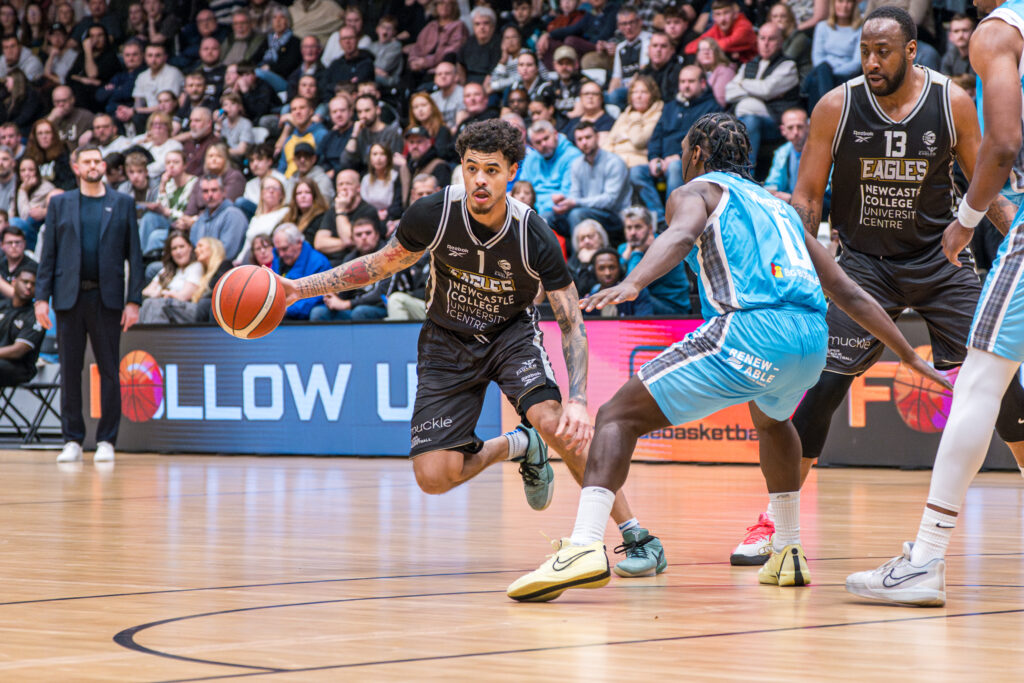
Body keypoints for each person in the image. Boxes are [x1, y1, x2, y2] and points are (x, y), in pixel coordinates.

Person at [507, 112, 949, 602]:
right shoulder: (780, 209)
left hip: (752, 331)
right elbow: (848, 290)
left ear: (696, 153)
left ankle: (586, 547)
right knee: (774, 423)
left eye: (684, 151)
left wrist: (634, 281)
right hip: (811, 338)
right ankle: (788, 550)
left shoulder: (695, 191)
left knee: (615, 416)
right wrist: (908, 353)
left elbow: (677, 237)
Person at [280, 119, 665, 577]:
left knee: (561, 426)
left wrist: (579, 400)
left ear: (511, 173)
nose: (480, 179)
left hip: (510, 336)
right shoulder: (433, 213)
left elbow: (571, 322)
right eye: (471, 168)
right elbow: (377, 266)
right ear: (461, 168)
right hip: (446, 341)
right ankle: (518, 446)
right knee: (434, 477)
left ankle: (639, 535)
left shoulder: (533, 234)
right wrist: (294, 290)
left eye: (492, 170)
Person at [732, 6, 1024, 568]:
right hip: (862, 266)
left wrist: (1011, 230)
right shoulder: (836, 106)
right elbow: (808, 200)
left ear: (912, 51)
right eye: (864, 51)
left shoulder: (953, 102)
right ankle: (775, 521)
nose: (870, 61)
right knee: (818, 393)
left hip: (941, 261)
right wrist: (800, 268)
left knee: (1006, 391)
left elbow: (987, 184)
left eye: (883, 51)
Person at [844, 0, 1024, 607]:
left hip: (976, 242)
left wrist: (966, 221)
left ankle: (925, 558)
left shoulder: (999, 30)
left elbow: (1002, 143)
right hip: (875, 259)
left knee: (977, 383)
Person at [36, 145, 143, 464]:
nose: (94, 165)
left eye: (98, 161)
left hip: (107, 298)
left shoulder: (123, 203)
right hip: (69, 298)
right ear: (77, 166)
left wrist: (133, 300)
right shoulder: (60, 203)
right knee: (70, 370)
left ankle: (107, 440)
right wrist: (42, 298)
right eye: (88, 161)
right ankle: (72, 439)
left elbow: (134, 257)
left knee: (110, 370)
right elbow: (49, 255)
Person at [632, 67, 722, 224]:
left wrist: (680, 157)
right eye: (683, 82)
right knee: (636, 172)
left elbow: (708, 142)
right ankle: (660, 219)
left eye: (691, 81)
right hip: (664, 162)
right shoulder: (670, 106)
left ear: (702, 83)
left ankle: (673, 220)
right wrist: (654, 158)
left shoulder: (712, 108)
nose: (686, 85)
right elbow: (657, 135)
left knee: (675, 167)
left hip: (692, 163)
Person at [724, 21, 801, 161]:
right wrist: (757, 91)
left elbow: (766, 89)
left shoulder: (788, 66)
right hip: (743, 119)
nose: (766, 43)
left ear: (781, 41)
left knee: (750, 121)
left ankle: (745, 173)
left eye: (771, 39)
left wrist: (742, 83)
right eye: (762, 38)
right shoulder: (749, 65)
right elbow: (729, 93)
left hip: (776, 123)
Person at [549, 122, 630, 242]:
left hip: (614, 216)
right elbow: (575, 195)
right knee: (549, 217)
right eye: (579, 139)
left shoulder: (614, 162)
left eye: (588, 137)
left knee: (576, 214)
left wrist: (575, 202)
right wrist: (564, 202)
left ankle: (579, 258)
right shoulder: (576, 164)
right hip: (586, 210)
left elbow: (610, 201)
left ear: (597, 137)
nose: (584, 142)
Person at [310, 217, 388, 321]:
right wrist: (332, 296)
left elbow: (381, 294)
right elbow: (343, 293)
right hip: (353, 307)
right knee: (318, 312)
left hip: (380, 306)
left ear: (377, 235)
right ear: (352, 239)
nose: (364, 237)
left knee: (360, 312)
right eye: (359, 235)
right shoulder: (350, 259)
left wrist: (347, 304)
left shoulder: (387, 256)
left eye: (368, 233)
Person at [803, 0, 863, 112]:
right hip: (824, 70)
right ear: (833, 4)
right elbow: (817, 57)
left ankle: (823, 112)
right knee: (821, 71)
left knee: (816, 80)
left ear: (854, 5)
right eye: (840, 1)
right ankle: (828, 111)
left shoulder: (860, 29)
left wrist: (830, 73)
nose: (844, 5)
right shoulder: (822, 27)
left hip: (846, 74)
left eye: (848, 2)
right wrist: (826, 72)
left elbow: (857, 63)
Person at [271, 222, 329, 320]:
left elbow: (316, 297)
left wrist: (287, 310)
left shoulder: (318, 262)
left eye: (285, 249)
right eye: (278, 250)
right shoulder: (278, 259)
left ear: (299, 243)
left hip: (306, 315)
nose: (281, 254)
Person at [0, 266, 44, 388]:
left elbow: (18, 351)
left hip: (19, 368)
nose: (29, 286)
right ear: (14, 282)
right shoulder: (2, 307)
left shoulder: (35, 314)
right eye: (25, 282)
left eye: (33, 284)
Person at [189, 174, 248, 261]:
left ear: (223, 192)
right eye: (205, 191)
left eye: (214, 190)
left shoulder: (233, 214)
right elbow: (194, 249)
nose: (210, 195)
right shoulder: (200, 220)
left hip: (226, 269)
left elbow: (227, 253)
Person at [586, 246, 653, 318]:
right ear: (593, 271)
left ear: (621, 269)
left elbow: (644, 322)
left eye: (612, 267)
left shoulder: (638, 293)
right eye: (601, 268)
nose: (607, 273)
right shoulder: (589, 299)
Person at [685, 0, 756, 63]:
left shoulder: (743, 25)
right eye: (718, 14)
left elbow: (725, 45)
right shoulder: (717, 27)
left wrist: (706, 47)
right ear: (713, 17)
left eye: (726, 13)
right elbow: (689, 48)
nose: (722, 19)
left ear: (735, 14)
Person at [0, 226, 36, 301]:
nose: (14, 246)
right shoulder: (1, 264)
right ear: (2, 245)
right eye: (9, 243)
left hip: (23, 310)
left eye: (17, 242)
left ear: (24, 244)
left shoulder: (32, 267)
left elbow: (22, 295)